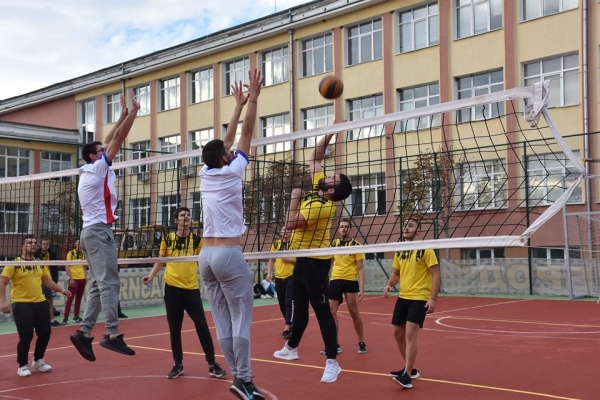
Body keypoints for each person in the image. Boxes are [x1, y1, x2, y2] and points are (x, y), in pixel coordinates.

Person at [197, 68, 265, 400]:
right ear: (226, 160)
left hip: (205, 257)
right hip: (227, 253)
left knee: (222, 320)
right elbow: (247, 134)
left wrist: (237, 105)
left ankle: (239, 377)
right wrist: (253, 99)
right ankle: (244, 378)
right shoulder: (233, 171)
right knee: (241, 320)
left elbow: (224, 143)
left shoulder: (205, 173)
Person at [273, 130, 353, 384]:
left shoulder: (324, 205)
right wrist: (327, 137)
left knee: (322, 311)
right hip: (301, 259)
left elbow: (291, 221)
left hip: (315, 263)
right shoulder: (318, 191)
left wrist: (294, 199)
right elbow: (314, 160)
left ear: (331, 189)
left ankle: (332, 361)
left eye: (332, 177)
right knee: (300, 307)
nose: (326, 174)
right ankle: (292, 348)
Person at [70, 89, 140, 362]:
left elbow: (111, 138)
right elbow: (118, 140)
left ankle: (84, 332)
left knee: (100, 285)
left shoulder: (91, 168)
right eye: (101, 151)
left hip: (95, 231)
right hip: (99, 232)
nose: (106, 151)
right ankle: (111, 334)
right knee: (110, 282)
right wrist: (134, 112)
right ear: (93, 157)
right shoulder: (98, 168)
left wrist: (121, 114)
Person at [142, 206, 227, 380]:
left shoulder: (197, 240)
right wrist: (150, 276)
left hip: (191, 290)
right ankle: (178, 364)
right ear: (176, 220)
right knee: (174, 329)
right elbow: (161, 260)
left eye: (188, 215)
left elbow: (203, 262)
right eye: (182, 215)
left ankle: (212, 364)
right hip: (172, 289)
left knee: (202, 326)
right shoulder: (168, 239)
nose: (186, 217)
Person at [0, 236, 71, 377]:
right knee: (26, 336)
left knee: (45, 332)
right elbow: (2, 282)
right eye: (29, 243)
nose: (33, 245)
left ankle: (38, 360)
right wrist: (3, 301)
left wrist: (60, 289)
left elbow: (46, 280)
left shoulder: (40, 262)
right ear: (22, 247)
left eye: (34, 243)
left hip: (40, 302)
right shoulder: (14, 263)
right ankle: (22, 365)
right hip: (21, 303)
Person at [383, 218, 441, 389]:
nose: (406, 228)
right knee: (398, 335)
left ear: (419, 230)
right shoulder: (400, 249)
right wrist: (389, 284)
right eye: (405, 225)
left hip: (419, 297)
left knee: (410, 334)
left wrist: (433, 298)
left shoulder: (425, 249)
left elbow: (436, 275)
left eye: (410, 225)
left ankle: (407, 376)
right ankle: (410, 368)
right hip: (403, 297)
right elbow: (396, 272)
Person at [325, 218, 367, 355]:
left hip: (350, 280)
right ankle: (334, 344)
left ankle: (361, 342)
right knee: (331, 312)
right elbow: (329, 264)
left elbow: (360, 268)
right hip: (335, 279)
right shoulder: (334, 244)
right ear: (338, 229)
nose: (344, 229)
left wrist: (362, 288)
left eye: (346, 227)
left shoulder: (356, 245)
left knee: (353, 311)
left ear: (350, 229)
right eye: (342, 226)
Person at [266, 228, 294, 339]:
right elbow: (271, 259)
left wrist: (289, 260)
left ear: (291, 232)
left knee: (288, 302)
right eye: (284, 230)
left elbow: (301, 260)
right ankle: (290, 323)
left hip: (291, 276)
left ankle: (287, 327)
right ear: (281, 232)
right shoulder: (276, 244)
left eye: (288, 230)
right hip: (278, 277)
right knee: (282, 304)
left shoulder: (295, 244)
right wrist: (269, 273)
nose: (286, 232)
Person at [34, 238, 61, 327]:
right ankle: (37, 321)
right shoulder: (36, 254)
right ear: (41, 244)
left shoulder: (52, 254)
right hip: (39, 281)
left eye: (47, 244)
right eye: (44, 244)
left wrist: (55, 282)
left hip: (49, 280)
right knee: (38, 302)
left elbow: (55, 269)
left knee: (50, 301)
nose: (46, 246)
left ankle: (51, 320)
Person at [63, 239, 87, 324]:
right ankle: (65, 318)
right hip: (74, 279)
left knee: (79, 298)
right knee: (70, 298)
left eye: (80, 243)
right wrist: (71, 279)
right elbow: (67, 267)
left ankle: (76, 316)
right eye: (78, 243)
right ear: (75, 244)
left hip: (82, 278)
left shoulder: (84, 253)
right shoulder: (71, 253)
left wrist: (85, 276)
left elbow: (84, 266)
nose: (79, 244)